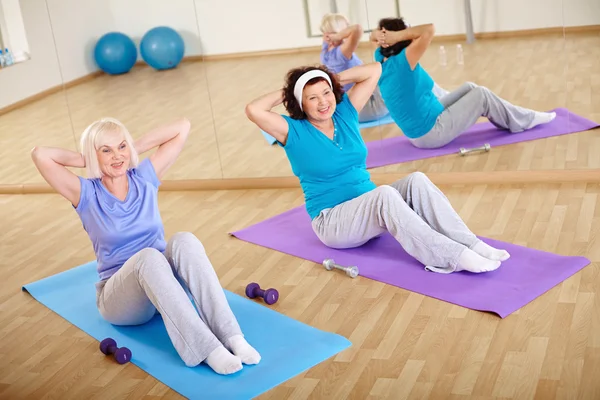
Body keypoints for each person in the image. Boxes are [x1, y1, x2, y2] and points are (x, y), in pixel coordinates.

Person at [30, 117, 260, 375]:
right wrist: (87, 159)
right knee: (148, 256)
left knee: (184, 240)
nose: (117, 156)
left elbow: (182, 126)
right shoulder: (84, 192)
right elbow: (40, 154)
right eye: (106, 150)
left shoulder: (144, 178)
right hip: (122, 300)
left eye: (121, 146)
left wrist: (128, 150)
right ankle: (206, 350)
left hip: (163, 287)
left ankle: (232, 338)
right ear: (94, 155)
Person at [245, 62, 510, 275]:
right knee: (384, 194)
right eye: (312, 98)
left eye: (326, 93)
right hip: (333, 220)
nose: (323, 102)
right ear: (300, 103)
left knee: (416, 180)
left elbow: (374, 70)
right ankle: (452, 257)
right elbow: (253, 109)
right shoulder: (293, 130)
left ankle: (470, 243)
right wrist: (293, 86)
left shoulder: (345, 113)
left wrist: (323, 76)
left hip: (368, 208)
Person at [370, 17, 556, 149]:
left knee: (471, 87)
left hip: (424, 124)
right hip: (432, 132)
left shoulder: (380, 58)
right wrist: (396, 35)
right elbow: (429, 29)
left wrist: (386, 36)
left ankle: (512, 118)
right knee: (481, 95)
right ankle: (525, 120)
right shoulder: (404, 61)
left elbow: (372, 38)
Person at [319, 13, 448, 123]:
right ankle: (442, 95)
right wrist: (338, 36)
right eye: (344, 29)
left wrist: (331, 36)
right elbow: (357, 29)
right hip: (367, 106)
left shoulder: (325, 52)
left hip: (356, 104)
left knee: (395, 73)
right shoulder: (341, 53)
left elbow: (371, 38)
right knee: (406, 74)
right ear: (338, 33)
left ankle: (442, 95)